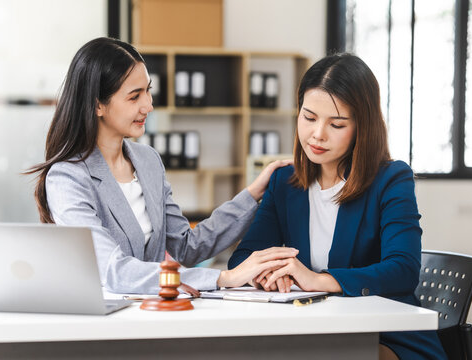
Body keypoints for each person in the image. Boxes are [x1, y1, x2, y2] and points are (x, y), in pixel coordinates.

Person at [26, 37, 297, 295]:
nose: (148, 106)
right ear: (98, 105)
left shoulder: (148, 161)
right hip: (102, 322)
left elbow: (187, 247)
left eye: (148, 91)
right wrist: (223, 278)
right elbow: (113, 270)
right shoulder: (67, 177)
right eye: (134, 97)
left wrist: (252, 194)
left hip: (153, 314)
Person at [228, 53, 447, 359]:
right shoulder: (284, 181)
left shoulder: (391, 179)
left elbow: (403, 269)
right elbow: (243, 258)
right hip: (310, 328)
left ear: (362, 126)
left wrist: (318, 281)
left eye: (337, 124)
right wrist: (268, 274)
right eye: (309, 117)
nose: (318, 134)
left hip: (384, 334)